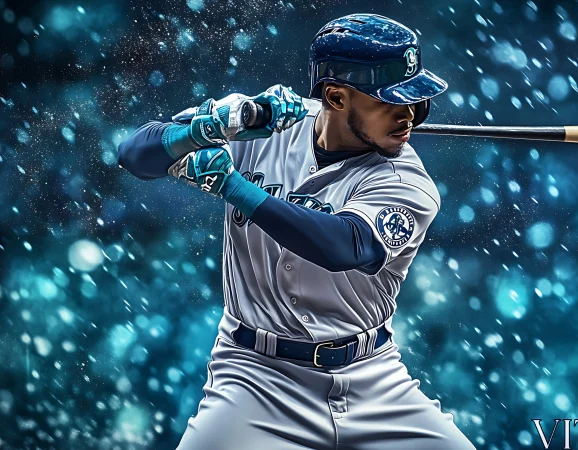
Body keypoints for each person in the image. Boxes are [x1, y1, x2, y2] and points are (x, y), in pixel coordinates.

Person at [117, 13, 476, 450]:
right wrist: (203, 129)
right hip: (255, 378)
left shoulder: (408, 182)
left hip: (372, 381)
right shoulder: (267, 124)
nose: (411, 116)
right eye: (392, 102)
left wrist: (232, 186)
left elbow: (344, 245)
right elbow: (134, 155)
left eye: (417, 102)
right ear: (336, 97)